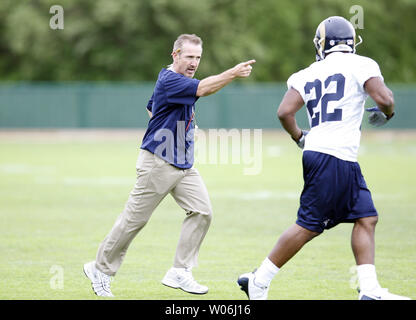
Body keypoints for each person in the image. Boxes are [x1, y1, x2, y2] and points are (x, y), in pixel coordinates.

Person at [238, 16, 410, 300]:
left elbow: (284, 112)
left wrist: (299, 137)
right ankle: (259, 280)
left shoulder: (307, 73)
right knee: (309, 225)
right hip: (335, 156)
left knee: (366, 217)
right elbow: (384, 98)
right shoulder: (363, 64)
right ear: (351, 43)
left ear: (321, 44)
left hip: (328, 154)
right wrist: (388, 113)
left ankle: (369, 290)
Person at [84, 34, 256, 297]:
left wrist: (178, 130)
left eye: (198, 57)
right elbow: (204, 89)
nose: (194, 62)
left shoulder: (177, 81)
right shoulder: (171, 79)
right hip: (158, 162)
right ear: (175, 55)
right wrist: (232, 73)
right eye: (189, 57)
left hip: (183, 164)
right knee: (134, 220)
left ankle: (180, 271)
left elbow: (152, 108)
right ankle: (100, 268)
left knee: (202, 211)